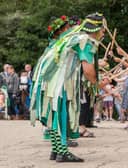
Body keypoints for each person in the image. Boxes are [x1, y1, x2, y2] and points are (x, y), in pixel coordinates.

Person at [30, 13, 108, 162]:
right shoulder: (85, 40)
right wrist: (97, 85)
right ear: (96, 29)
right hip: (59, 82)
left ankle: (56, 150)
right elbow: (88, 69)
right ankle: (63, 152)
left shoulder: (72, 36)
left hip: (49, 80)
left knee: (55, 115)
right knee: (61, 114)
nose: (103, 33)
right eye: (103, 29)